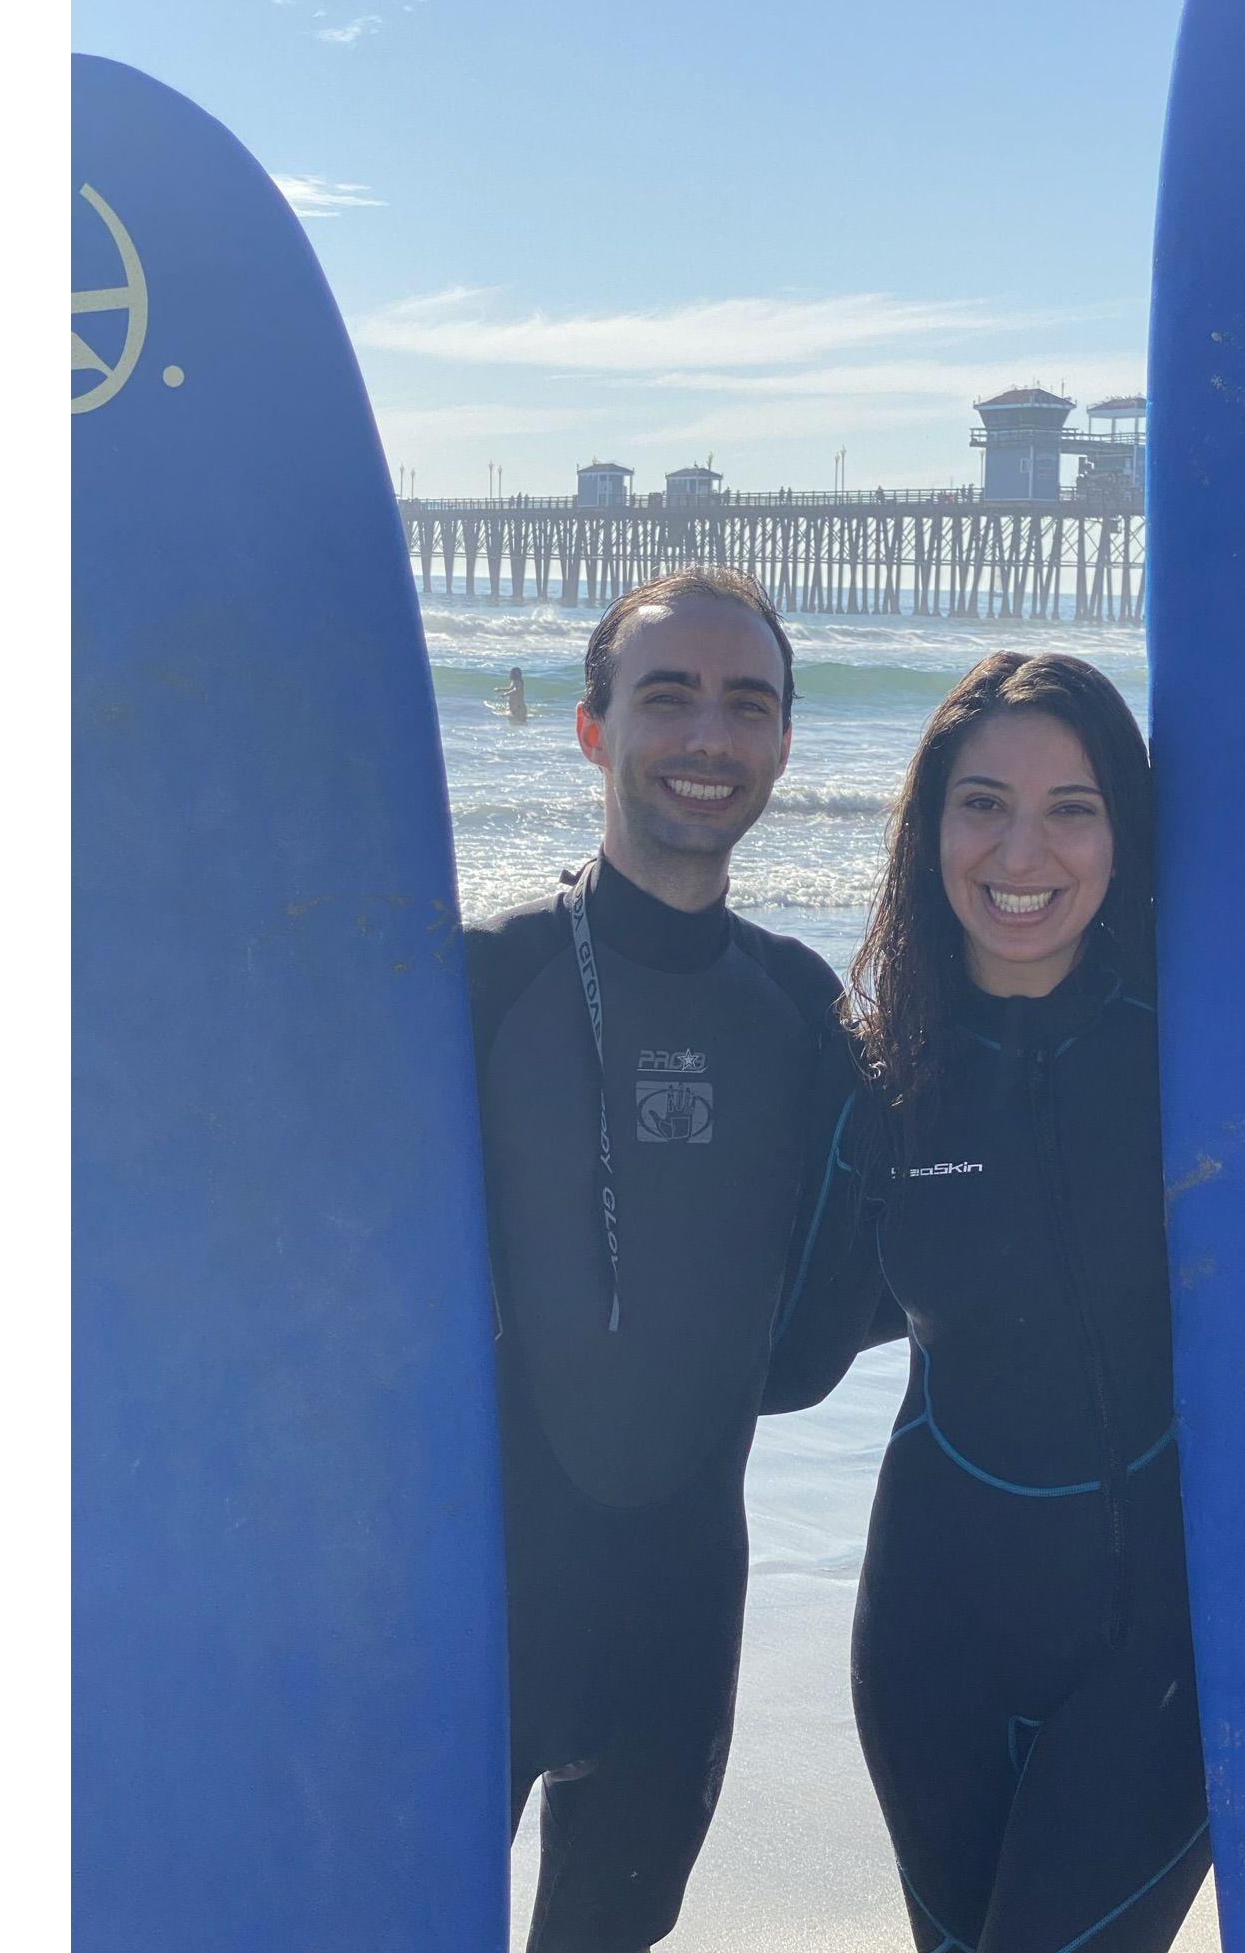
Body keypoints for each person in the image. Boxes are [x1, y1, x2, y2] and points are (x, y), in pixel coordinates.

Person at [765, 652, 1211, 1952]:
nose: (1025, 847)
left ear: (1124, 829)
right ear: (930, 825)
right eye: (984, 802)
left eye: (1073, 804)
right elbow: (788, 1358)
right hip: (931, 1643)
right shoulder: (876, 1072)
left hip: (1162, 1652)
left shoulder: (1195, 1048)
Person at [465, 566, 847, 1952]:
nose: (708, 736)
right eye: (668, 695)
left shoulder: (803, 1013)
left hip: (679, 1620)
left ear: (785, 744)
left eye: (747, 704)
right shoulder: (479, 979)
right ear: (590, 728)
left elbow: (830, 1319)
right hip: (469, 1608)